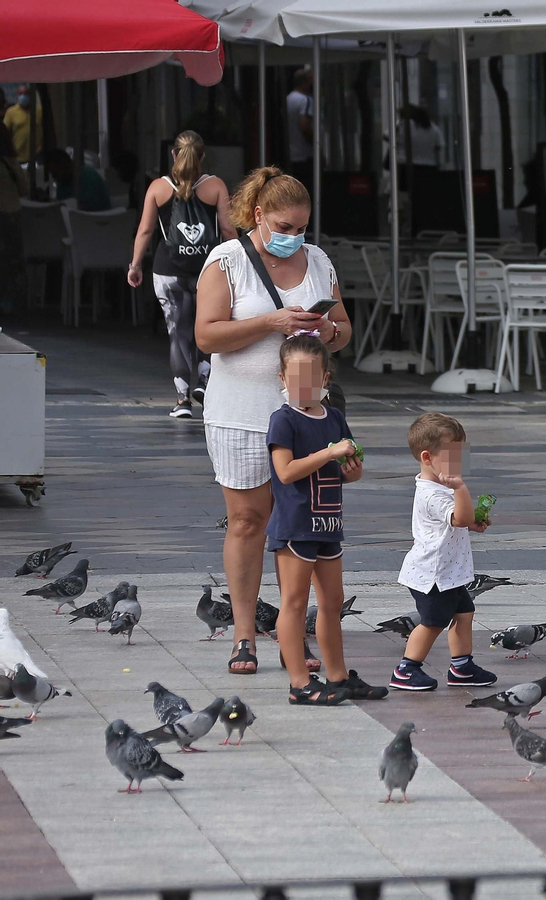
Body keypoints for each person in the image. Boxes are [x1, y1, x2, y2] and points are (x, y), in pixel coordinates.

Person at [193, 167, 353, 678]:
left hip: (305, 416)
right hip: (240, 413)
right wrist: (272, 322)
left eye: (301, 227)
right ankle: (244, 633)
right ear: (258, 215)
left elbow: (344, 329)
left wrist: (327, 329)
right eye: (283, 227)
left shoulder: (318, 260)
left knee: (296, 523)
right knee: (247, 521)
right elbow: (206, 336)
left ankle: (290, 634)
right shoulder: (227, 260)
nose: (293, 236)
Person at [265, 334, 386, 704]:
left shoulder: (334, 418)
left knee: (333, 602)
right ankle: (299, 682)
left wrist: (352, 470)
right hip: (295, 526)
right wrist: (329, 453)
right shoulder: (283, 420)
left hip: (328, 524)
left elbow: (348, 471)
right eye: (295, 377)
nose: (303, 385)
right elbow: (285, 472)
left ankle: (338, 676)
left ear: (325, 379)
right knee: (294, 602)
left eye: (311, 377)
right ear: (282, 379)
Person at [128, 131, 238, 419]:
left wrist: (135, 265)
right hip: (208, 270)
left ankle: (182, 400)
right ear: (202, 156)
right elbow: (228, 230)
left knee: (178, 333)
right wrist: (240, 263)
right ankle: (204, 381)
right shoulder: (215, 186)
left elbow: (145, 231)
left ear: (174, 155)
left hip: (168, 271)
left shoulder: (157, 188)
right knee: (209, 326)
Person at [390, 412, 496, 692]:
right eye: (453, 456)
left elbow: (459, 520)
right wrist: (461, 489)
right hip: (433, 574)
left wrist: (473, 520)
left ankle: (461, 666)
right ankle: (406, 669)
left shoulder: (440, 486)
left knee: (464, 613)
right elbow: (458, 518)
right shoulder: (432, 493)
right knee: (433, 622)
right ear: (427, 458)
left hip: (449, 573)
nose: (459, 463)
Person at [0, 135, 26, 313]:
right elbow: (24, 189)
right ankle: (11, 301)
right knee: (10, 260)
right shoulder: (11, 163)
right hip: (11, 214)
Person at [40, 148, 112, 211]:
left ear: (67, 165)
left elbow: (90, 208)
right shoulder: (63, 183)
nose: (55, 178)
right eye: (53, 175)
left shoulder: (88, 177)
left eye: (56, 173)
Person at [285, 70, 315, 190]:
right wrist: (316, 147)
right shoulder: (305, 100)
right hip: (304, 155)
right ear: (305, 84)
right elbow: (305, 127)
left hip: (290, 154)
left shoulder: (287, 99)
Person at [3, 85, 41, 165]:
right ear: (17, 96)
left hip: (37, 155)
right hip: (18, 157)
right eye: (20, 94)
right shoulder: (11, 112)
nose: (23, 96)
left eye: (26, 94)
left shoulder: (39, 111)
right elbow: (4, 132)